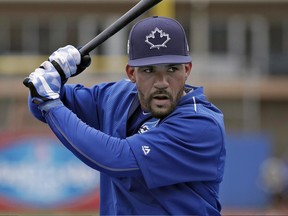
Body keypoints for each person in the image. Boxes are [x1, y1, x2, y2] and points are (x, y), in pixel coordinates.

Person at [23, 16, 226, 215]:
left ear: (187, 69)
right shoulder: (116, 96)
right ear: (131, 73)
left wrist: (50, 102)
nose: (162, 81)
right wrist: (52, 73)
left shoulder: (202, 124)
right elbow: (40, 104)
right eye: (149, 70)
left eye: (172, 69)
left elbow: (116, 159)